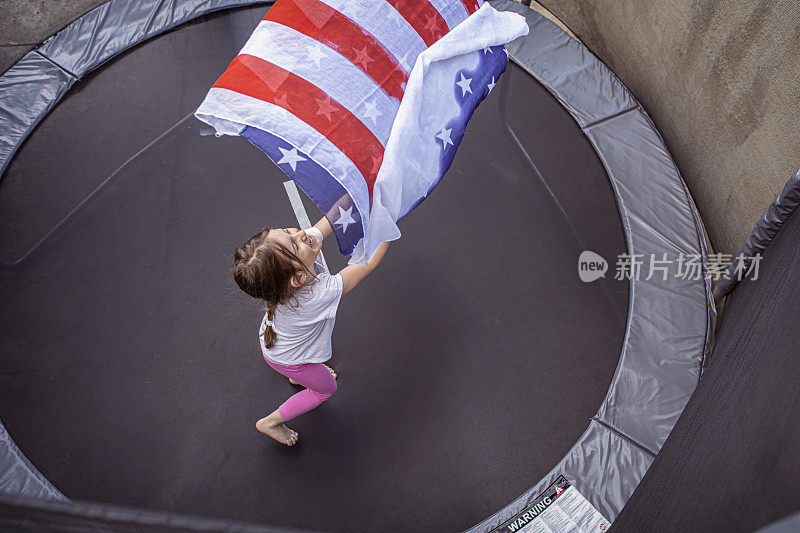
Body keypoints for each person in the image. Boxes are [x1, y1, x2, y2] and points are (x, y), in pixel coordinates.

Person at [233, 217, 390, 446]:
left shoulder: (293, 258)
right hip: (289, 359)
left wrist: (359, 189)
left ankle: (295, 376)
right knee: (326, 389)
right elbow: (366, 265)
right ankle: (271, 422)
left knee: (300, 369)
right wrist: (387, 223)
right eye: (295, 243)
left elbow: (330, 219)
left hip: (275, 344)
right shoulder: (316, 295)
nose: (299, 234)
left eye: (287, 230)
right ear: (298, 278)